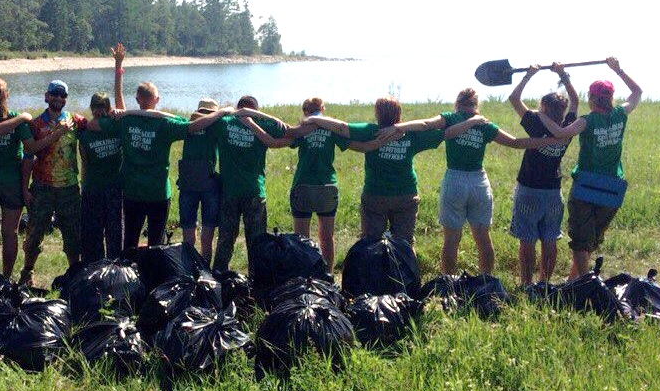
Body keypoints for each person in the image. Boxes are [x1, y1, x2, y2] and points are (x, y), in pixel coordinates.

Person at [385, 88, 560, 275]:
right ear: (476, 105)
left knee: (451, 239)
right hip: (479, 183)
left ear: (458, 103)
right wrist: (548, 141)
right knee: (483, 238)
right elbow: (515, 142)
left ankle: (449, 282)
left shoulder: (451, 118)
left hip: (455, 180)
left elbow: (427, 124)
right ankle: (486, 281)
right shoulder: (484, 124)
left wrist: (399, 127)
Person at [88, 46, 231, 249]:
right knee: (156, 243)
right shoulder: (165, 124)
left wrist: (118, 65)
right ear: (157, 100)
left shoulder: (127, 121)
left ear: (138, 100)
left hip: (134, 193)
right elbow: (193, 126)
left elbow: (104, 115)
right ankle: (152, 277)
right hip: (156, 194)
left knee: (130, 241)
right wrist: (222, 111)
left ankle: (131, 276)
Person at [298, 97, 475, 251]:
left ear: (378, 114)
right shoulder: (411, 135)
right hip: (406, 195)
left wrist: (316, 120)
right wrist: (471, 122)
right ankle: (406, 281)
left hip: (375, 196)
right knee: (405, 244)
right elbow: (446, 134)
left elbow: (342, 128)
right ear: (399, 114)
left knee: (370, 243)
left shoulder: (371, 131)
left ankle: (371, 282)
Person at [535, 57, 642, 278]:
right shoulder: (620, 115)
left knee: (581, 243)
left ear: (592, 98)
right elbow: (637, 92)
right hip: (612, 188)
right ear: (610, 98)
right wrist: (618, 70)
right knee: (589, 241)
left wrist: (541, 116)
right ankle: (574, 283)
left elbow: (561, 133)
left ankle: (584, 287)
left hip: (586, 187)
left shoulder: (587, 121)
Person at [239, 97, 350, 271]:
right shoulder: (333, 129)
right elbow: (351, 138)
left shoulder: (302, 130)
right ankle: (328, 275)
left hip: (303, 186)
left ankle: (305, 275)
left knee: (301, 239)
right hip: (327, 186)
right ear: (322, 110)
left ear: (305, 112)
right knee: (327, 237)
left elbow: (276, 142)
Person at [0, 78, 54, 278]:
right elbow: (31, 148)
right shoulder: (19, 120)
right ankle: (6, 279)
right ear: (7, 94)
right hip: (12, 184)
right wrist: (55, 134)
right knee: (10, 234)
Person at [507, 63, 580, 286]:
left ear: (544, 108)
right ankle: (544, 283)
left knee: (527, 239)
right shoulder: (568, 126)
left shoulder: (536, 123)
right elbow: (576, 101)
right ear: (563, 110)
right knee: (550, 239)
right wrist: (562, 75)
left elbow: (514, 98)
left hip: (529, 188)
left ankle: (527, 284)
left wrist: (529, 75)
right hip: (553, 192)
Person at [210, 96, 292, 275]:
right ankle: (257, 279)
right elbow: (291, 133)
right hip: (254, 191)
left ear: (238, 108)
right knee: (256, 241)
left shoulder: (224, 122)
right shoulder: (262, 124)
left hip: (229, 191)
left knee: (225, 238)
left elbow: (199, 123)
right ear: (256, 110)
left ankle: (218, 276)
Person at [18, 79, 87, 284]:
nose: (58, 98)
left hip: (69, 188)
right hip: (42, 186)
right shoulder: (36, 124)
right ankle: (27, 273)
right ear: (46, 96)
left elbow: (84, 151)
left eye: (62, 95)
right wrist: (24, 189)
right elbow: (29, 155)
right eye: (54, 94)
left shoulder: (76, 122)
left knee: (73, 234)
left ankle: (74, 274)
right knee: (34, 234)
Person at [78, 91, 124, 264]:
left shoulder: (84, 131)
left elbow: (85, 161)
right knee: (113, 232)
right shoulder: (116, 125)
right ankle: (114, 265)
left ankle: (97, 266)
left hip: (96, 187)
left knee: (95, 232)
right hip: (109, 188)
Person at [178, 98, 222, 266]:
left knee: (201, 234)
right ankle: (200, 268)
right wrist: (220, 113)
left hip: (191, 181)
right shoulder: (214, 124)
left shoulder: (188, 124)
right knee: (199, 233)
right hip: (205, 182)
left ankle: (195, 268)